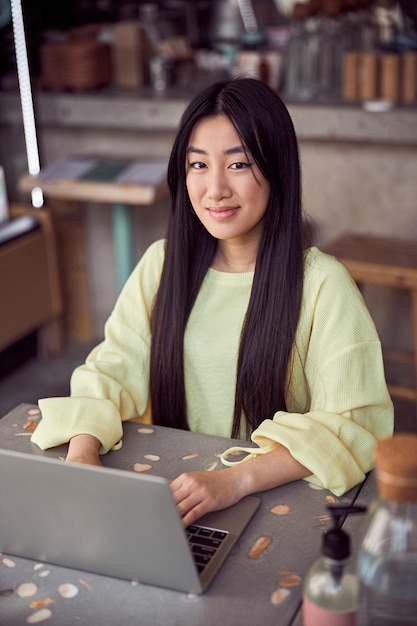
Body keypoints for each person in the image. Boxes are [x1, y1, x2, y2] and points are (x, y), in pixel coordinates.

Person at [31, 78, 393, 527]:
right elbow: (112, 369)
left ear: (277, 168)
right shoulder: (162, 264)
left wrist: (235, 480)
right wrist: (83, 453)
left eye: (238, 164)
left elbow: (355, 425)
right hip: (173, 496)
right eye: (198, 165)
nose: (215, 188)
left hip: (276, 504)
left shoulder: (322, 284)